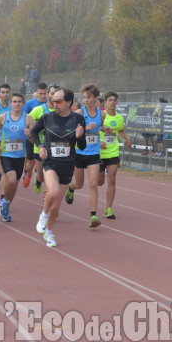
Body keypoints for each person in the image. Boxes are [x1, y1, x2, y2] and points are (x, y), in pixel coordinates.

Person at [32, 88, 86, 247]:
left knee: (56, 205)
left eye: (58, 101)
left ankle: (48, 231)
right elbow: (34, 132)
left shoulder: (78, 119)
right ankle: (43, 215)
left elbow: (82, 146)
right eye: (53, 101)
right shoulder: (47, 117)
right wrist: (40, 146)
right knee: (53, 191)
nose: (54, 104)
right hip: (50, 162)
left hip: (68, 164)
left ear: (69, 102)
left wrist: (79, 136)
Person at [64, 83, 108, 228]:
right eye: (84, 97)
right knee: (79, 184)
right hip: (79, 153)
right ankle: (71, 187)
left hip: (94, 154)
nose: (86, 100)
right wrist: (85, 129)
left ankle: (93, 215)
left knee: (93, 184)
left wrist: (104, 129)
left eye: (89, 97)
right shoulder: (79, 113)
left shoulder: (102, 114)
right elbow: (70, 131)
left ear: (96, 98)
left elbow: (98, 127)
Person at [98, 91, 133, 220]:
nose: (112, 102)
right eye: (110, 100)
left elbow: (120, 130)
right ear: (105, 102)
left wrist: (127, 139)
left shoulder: (119, 117)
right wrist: (98, 143)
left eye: (114, 100)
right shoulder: (100, 116)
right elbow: (92, 131)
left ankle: (108, 209)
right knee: (99, 182)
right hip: (100, 153)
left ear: (117, 102)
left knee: (112, 179)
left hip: (113, 152)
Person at [0, 92, 26, 222]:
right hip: (6, 154)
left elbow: (33, 137)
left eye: (19, 101)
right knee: (10, 180)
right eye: (15, 101)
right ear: (11, 103)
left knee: (15, 185)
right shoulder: (3, 117)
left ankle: (6, 205)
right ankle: (5, 202)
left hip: (20, 155)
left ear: (23, 104)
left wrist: (29, 135)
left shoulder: (27, 118)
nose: (17, 104)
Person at [25, 84, 59, 196]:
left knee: (52, 173)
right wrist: (30, 133)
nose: (54, 96)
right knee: (41, 175)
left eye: (57, 93)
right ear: (48, 94)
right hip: (40, 147)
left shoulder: (62, 111)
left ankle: (47, 193)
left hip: (56, 147)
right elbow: (27, 122)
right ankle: (38, 180)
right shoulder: (38, 109)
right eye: (52, 93)